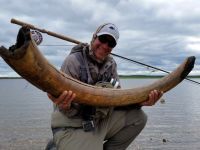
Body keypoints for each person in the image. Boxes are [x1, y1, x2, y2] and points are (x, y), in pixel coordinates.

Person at [47, 23, 163, 150]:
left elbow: (118, 98)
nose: (105, 46)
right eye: (102, 39)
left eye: (111, 43)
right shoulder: (73, 61)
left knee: (139, 118)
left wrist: (141, 102)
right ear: (94, 37)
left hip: (97, 121)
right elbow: (65, 109)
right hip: (71, 124)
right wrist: (65, 105)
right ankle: (56, 145)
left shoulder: (111, 65)